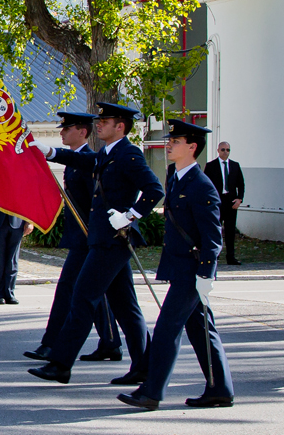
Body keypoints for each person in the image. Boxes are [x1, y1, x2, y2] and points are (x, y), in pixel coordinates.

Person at [27, 102, 164, 385]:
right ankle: (144, 366)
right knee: (126, 308)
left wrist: (130, 215)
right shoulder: (107, 153)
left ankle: (61, 363)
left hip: (111, 241)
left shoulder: (129, 154)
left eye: (106, 121)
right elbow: (84, 161)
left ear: (121, 127)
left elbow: (154, 190)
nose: (99, 124)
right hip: (103, 240)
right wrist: (49, 151)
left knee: (82, 298)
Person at [118, 119, 235, 410]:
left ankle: (151, 392)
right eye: (170, 140)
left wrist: (207, 273)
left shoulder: (202, 186)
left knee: (167, 328)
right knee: (201, 329)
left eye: (176, 141)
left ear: (192, 147)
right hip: (180, 266)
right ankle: (220, 389)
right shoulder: (175, 175)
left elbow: (212, 236)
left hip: (193, 271)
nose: (169, 144)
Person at [25, 112, 123, 363]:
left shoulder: (90, 160)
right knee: (95, 292)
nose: (61, 132)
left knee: (68, 289)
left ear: (82, 132)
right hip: (81, 238)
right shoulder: (74, 160)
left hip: (90, 238)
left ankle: (51, 344)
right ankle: (110, 343)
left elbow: (97, 203)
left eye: (67, 129)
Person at [0, 196, 33, 304]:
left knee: (12, 261)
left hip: (17, 221)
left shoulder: (21, 178)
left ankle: (9, 293)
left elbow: (28, 195)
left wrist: (29, 220)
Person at [203, 141, 245, 265]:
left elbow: (241, 184)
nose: (225, 152)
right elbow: (206, 185)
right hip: (217, 202)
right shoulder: (211, 166)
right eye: (223, 150)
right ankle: (215, 255)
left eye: (228, 150)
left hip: (231, 201)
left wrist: (239, 199)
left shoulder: (235, 166)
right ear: (218, 150)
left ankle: (231, 257)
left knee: (230, 230)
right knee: (215, 230)